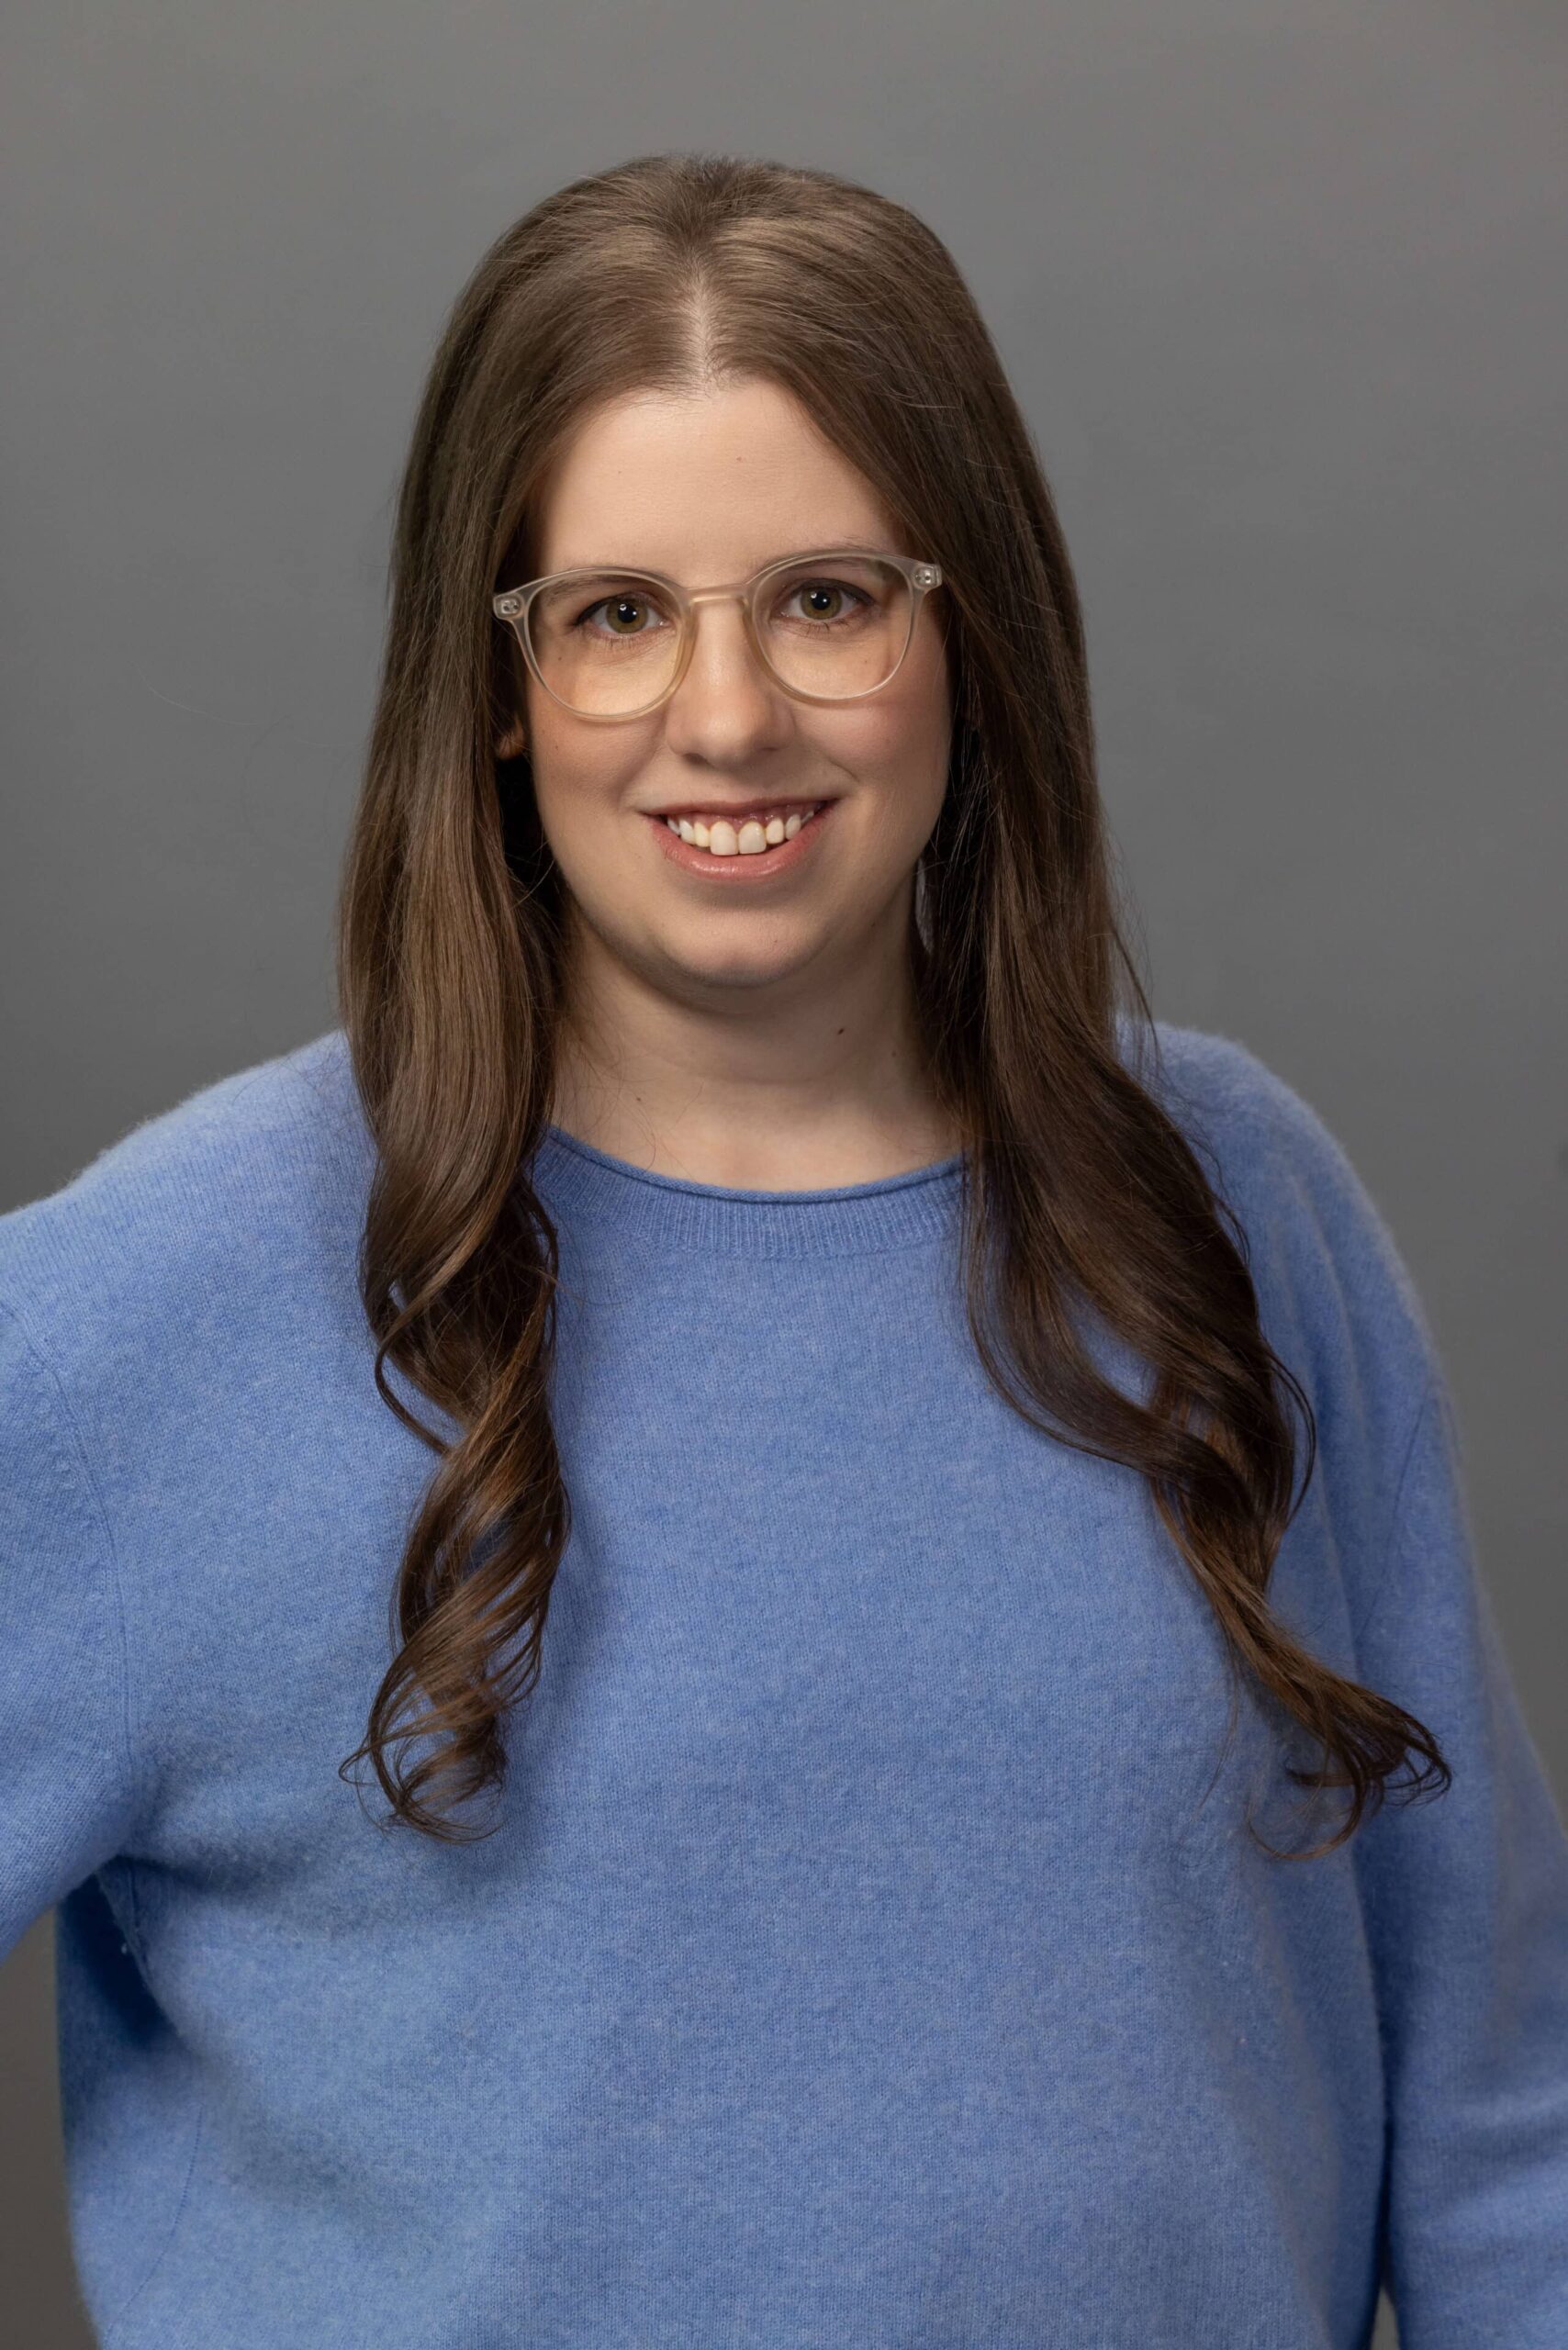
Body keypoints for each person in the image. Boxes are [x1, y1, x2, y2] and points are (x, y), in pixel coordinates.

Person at [2, 151, 1564, 2350]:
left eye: (826, 596)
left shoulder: (1227, 1207)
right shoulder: (154, 1304)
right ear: (502, 684)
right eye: (615, 612)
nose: (723, 715)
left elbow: (1504, 2115)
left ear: (969, 635)